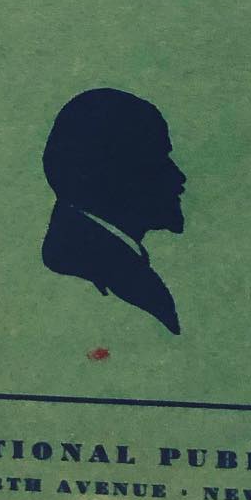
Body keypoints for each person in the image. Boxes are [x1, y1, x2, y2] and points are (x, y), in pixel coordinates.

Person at [40, 88, 187, 335]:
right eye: (159, 160)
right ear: (117, 173)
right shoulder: (93, 289)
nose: (178, 177)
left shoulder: (113, 270)